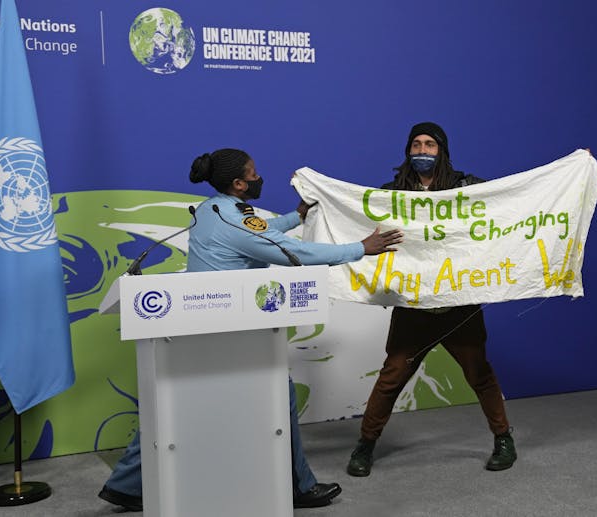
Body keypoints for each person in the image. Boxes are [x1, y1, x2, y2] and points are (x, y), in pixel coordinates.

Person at [99, 148, 403, 511]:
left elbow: (261, 231)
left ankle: (125, 485)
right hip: (232, 331)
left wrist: (297, 215)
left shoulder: (213, 210)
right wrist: (360, 248)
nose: (259, 177)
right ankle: (297, 486)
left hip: (195, 328)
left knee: (166, 402)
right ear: (239, 183)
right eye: (253, 173)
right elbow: (294, 253)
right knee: (278, 396)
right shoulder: (235, 220)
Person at [345, 122, 517, 478]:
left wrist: (568, 174)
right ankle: (365, 445)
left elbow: (513, 199)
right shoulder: (391, 194)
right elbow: (359, 222)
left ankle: (503, 439)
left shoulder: (466, 189)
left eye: (430, 145)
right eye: (416, 144)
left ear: (442, 151)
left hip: (459, 305)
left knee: (479, 374)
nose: (422, 151)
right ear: (408, 150)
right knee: (391, 377)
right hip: (413, 307)